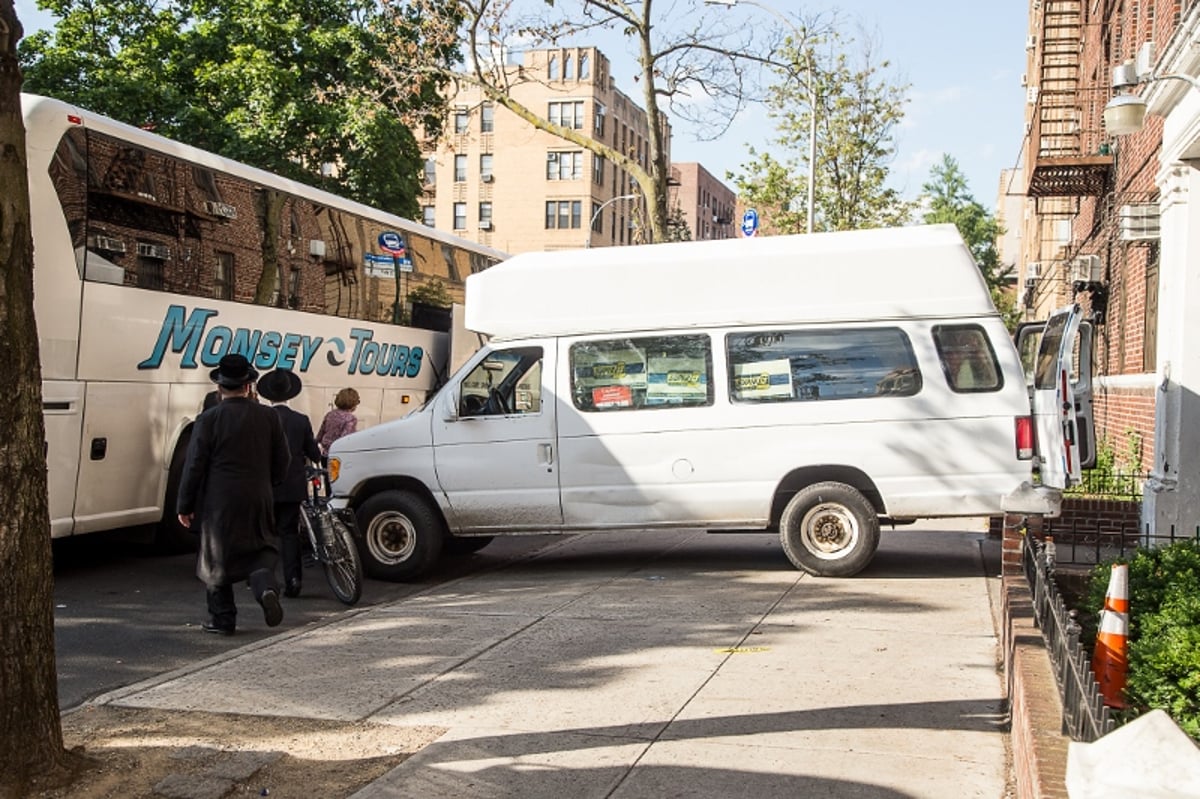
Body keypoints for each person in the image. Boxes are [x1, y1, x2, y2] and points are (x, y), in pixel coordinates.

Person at [176, 353, 291, 635]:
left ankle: (222, 618)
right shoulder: (269, 416)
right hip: (258, 493)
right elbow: (284, 459)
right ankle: (265, 587)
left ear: (220, 387)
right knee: (261, 547)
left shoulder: (209, 418)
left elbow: (194, 465)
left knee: (217, 558)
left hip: (220, 499)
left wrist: (184, 504)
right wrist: (270, 482)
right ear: (249, 385)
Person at [257, 368, 322, 598]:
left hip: (264, 486)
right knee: (289, 534)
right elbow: (314, 453)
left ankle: (264, 582)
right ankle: (293, 579)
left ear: (267, 395)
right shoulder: (300, 420)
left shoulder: (260, 418)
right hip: (292, 486)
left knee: (264, 535)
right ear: (289, 394)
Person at [317, 387, 360, 455]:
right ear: (353, 403)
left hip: (325, 453)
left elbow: (320, 435)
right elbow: (345, 441)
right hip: (337, 456)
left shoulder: (330, 414)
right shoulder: (351, 419)